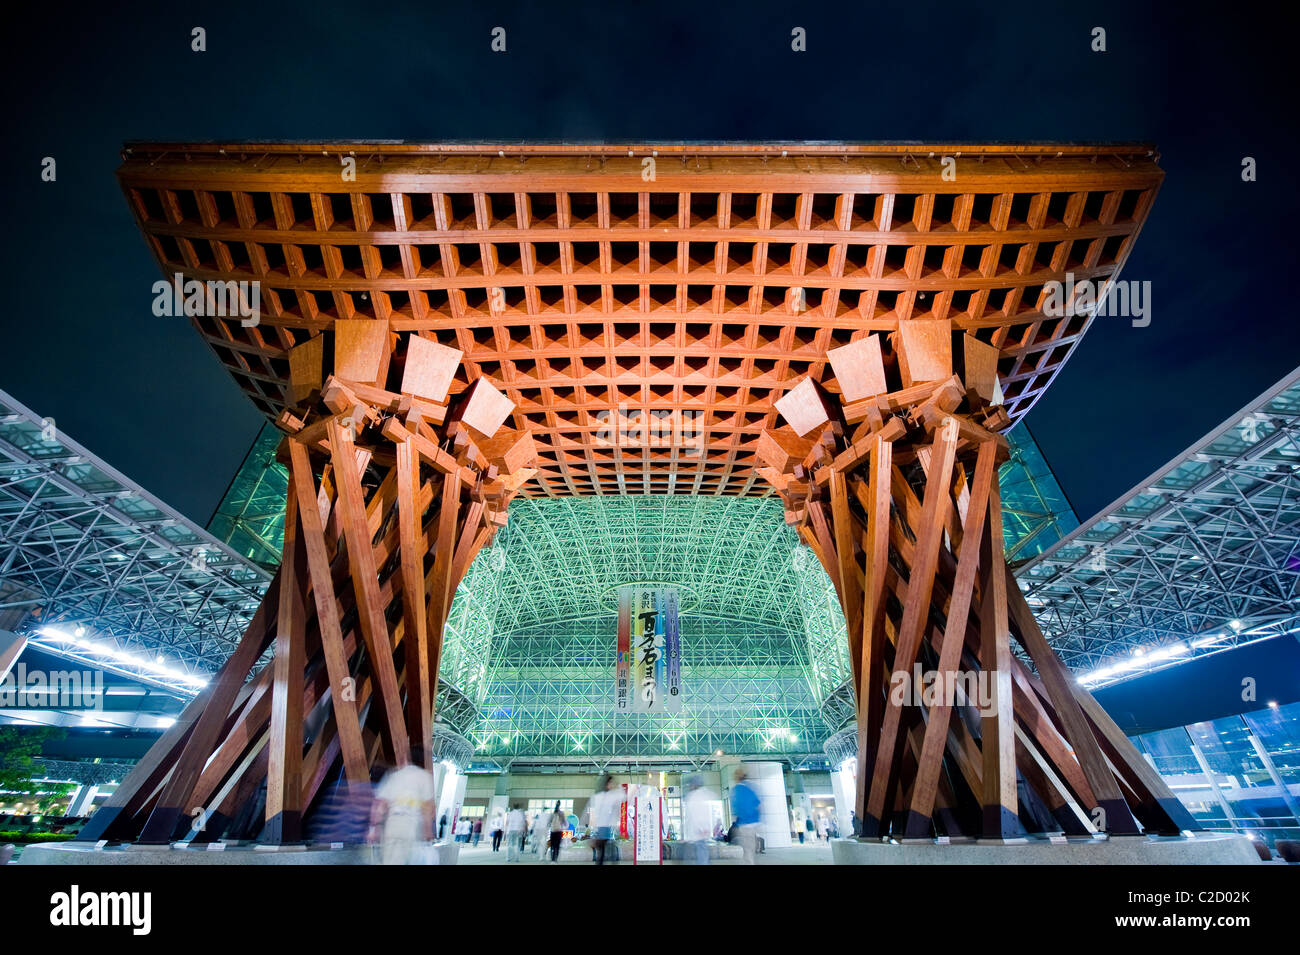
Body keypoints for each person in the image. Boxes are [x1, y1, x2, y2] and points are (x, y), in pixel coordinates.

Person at [371, 764, 437, 865]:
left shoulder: (394, 776)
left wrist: (375, 829)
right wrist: (428, 831)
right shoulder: (424, 777)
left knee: (391, 861)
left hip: (392, 825)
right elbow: (427, 809)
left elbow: (380, 805)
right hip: (411, 826)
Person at [588, 775, 624, 866]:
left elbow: (622, 797)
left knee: (604, 852)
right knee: (606, 852)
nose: (612, 785)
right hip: (603, 828)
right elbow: (622, 796)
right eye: (611, 783)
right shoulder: (603, 796)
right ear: (606, 784)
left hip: (605, 827)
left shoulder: (606, 796)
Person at [682, 773, 717, 865]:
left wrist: (701, 829)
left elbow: (695, 816)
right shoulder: (705, 794)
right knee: (703, 856)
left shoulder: (694, 797)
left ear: (694, 785)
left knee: (701, 857)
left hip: (697, 833)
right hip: (700, 834)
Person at [730, 767, 762, 865]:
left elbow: (736, 808)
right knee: (751, 849)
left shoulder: (736, 789)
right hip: (754, 823)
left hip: (744, 824)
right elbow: (758, 804)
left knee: (747, 851)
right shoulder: (751, 787)